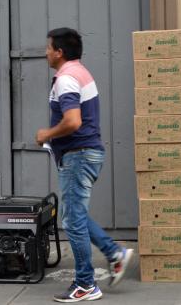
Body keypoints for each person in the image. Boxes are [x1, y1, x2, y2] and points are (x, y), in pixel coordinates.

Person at [36, 27, 133, 303]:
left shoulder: (66, 79)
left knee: (72, 220)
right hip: (86, 153)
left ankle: (86, 284)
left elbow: (73, 121)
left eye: (48, 47)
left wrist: (47, 134)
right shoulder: (81, 72)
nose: (45, 52)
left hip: (78, 155)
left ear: (59, 52)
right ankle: (114, 253)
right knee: (75, 215)